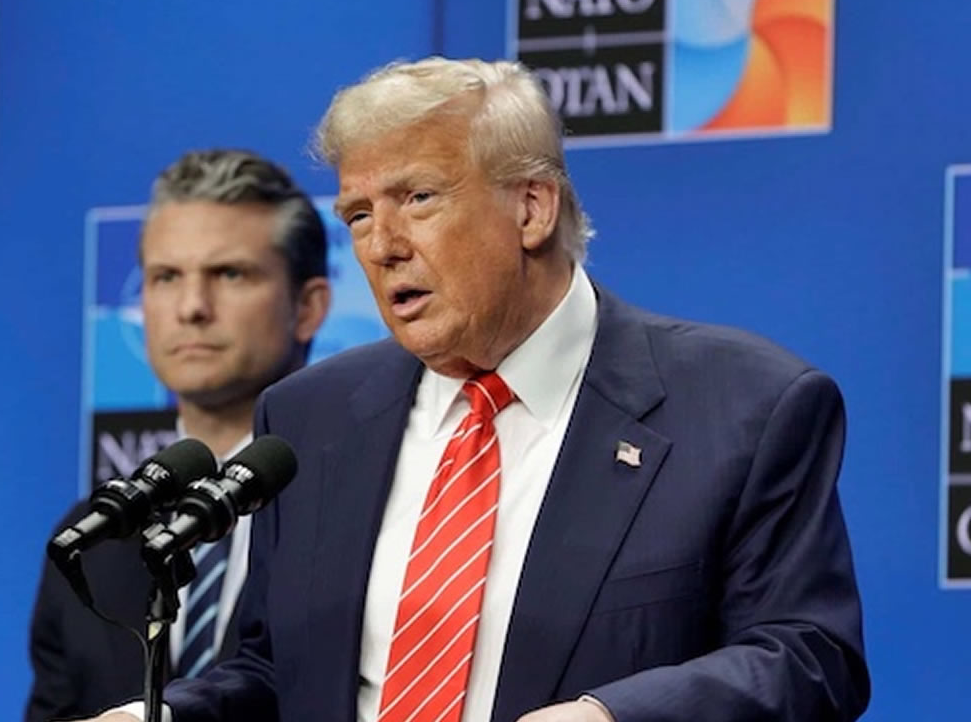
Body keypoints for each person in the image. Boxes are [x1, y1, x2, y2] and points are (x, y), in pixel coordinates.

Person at [99, 57, 871, 722]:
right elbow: (276, 673)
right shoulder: (311, 416)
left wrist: (611, 716)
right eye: (359, 215)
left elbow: (808, 657)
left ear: (531, 207)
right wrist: (154, 716)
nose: (382, 246)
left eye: (418, 199)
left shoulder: (741, 408)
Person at [24, 149, 331, 722]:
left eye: (230, 274)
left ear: (309, 307)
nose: (192, 308)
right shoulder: (92, 540)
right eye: (166, 278)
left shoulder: (357, 512)